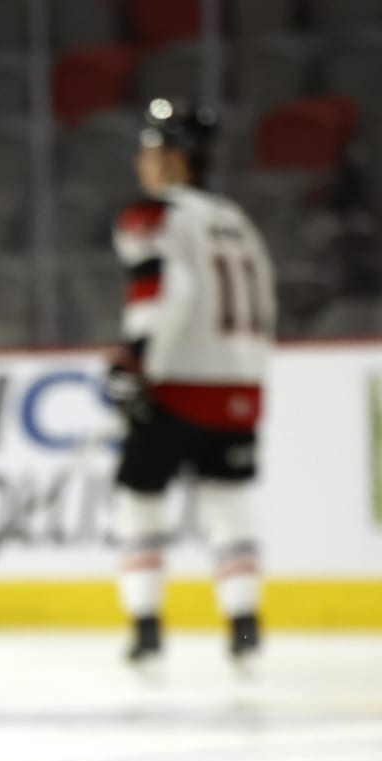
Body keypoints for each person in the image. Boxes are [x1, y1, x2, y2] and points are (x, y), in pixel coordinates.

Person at [105, 99, 275, 672]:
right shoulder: (238, 221)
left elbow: (165, 293)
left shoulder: (155, 216)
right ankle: (244, 629)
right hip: (240, 389)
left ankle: (146, 629)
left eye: (151, 151)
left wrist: (134, 364)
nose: (141, 164)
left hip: (176, 387)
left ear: (175, 158)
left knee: (138, 500)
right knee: (226, 501)